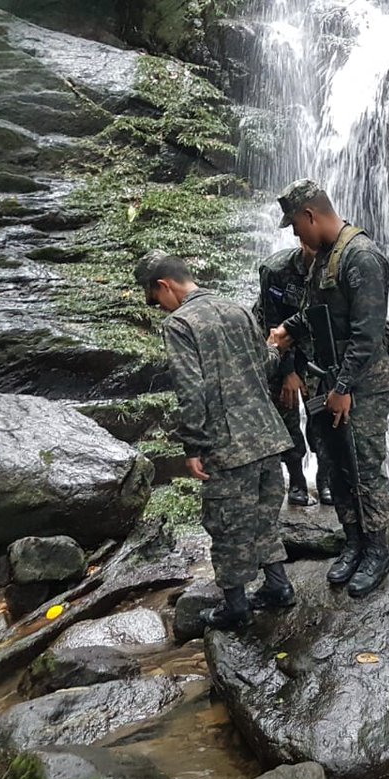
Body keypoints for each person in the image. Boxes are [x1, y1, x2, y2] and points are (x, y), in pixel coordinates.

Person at [136, 251, 295, 629]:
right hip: (269, 436)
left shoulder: (180, 324)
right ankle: (277, 587)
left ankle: (236, 608)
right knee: (263, 515)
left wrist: (194, 446)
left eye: (156, 300)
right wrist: (276, 349)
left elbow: (191, 391)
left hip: (228, 445)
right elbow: (266, 365)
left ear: (164, 286)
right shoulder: (237, 309)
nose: (159, 308)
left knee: (226, 525)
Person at [267, 180, 389, 598]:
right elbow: (315, 313)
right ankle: (353, 541)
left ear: (310, 216)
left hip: (363, 385)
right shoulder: (323, 258)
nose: (294, 236)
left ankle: (377, 552)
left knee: (364, 466)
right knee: (334, 461)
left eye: (295, 227)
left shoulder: (361, 256)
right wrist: (288, 328)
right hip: (330, 379)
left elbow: (367, 333)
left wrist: (343, 387)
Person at [258, 239, 334, 507]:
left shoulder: (335, 267)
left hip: (317, 349)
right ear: (303, 239)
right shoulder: (275, 270)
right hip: (279, 347)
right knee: (286, 411)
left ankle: (325, 481)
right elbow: (270, 324)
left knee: (322, 415)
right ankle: (297, 482)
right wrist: (288, 370)